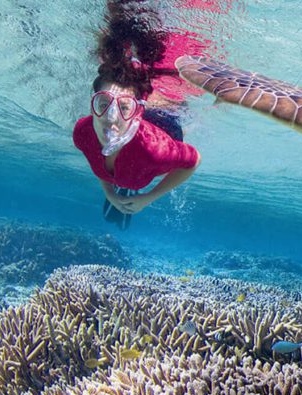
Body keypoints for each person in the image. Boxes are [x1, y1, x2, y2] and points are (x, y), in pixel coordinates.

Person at [73, 0, 211, 230]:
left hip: (166, 121)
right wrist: (108, 192)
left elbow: (193, 161)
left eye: (124, 106)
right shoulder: (82, 132)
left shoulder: (155, 151)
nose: (111, 116)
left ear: (138, 111)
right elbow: (96, 153)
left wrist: (147, 198)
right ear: (91, 106)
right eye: (103, 103)